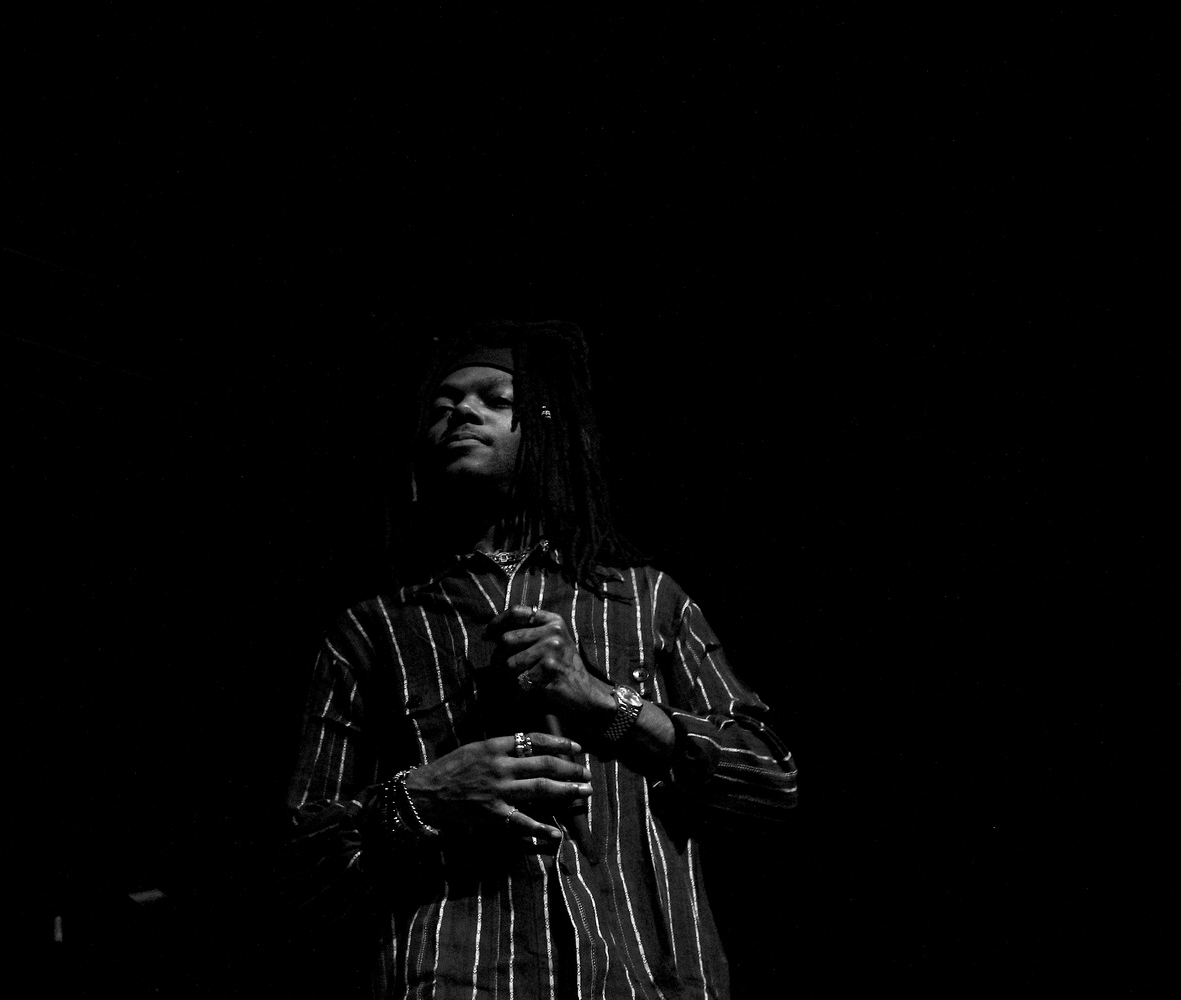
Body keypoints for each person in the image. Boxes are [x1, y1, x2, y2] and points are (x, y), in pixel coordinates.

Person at [281, 320, 798, 998]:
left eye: (494, 399)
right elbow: (302, 861)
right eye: (442, 407)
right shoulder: (374, 629)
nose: (461, 412)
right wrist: (425, 797)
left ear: (549, 430)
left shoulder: (647, 600)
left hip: (646, 978)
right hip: (458, 979)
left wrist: (604, 703)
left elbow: (772, 781)